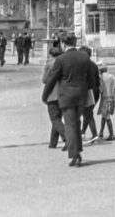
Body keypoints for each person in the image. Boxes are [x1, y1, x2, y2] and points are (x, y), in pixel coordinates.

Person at [41, 34, 100, 168]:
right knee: (76, 123)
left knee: (70, 125)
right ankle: (78, 152)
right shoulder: (84, 57)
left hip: (66, 96)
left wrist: (45, 95)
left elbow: (52, 80)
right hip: (82, 96)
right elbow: (91, 80)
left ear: (63, 44)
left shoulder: (61, 59)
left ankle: (75, 156)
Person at [42, 45, 67, 150]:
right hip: (63, 93)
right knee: (57, 118)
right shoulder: (64, 63)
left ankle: (67, 137)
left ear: (51, 55)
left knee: (55, 119)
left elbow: (45, 80)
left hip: (52, 94)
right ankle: (53, 143)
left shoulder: (49, 65)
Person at [79, 46, 100, 142]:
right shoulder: (94, 65)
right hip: (95, 92)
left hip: (87, 91)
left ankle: (94, 134)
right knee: (87, 113)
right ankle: (83, 133)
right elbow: (97, 80)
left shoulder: (83, 65)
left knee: (87, 114)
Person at [96, 61, 115, 141]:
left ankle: (111, 134)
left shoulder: (100, 77)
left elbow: (100, 89)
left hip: (105, 98)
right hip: (112, 98)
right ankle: (101, 132)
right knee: (104, 116)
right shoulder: (113, 77)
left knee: (106, 116)